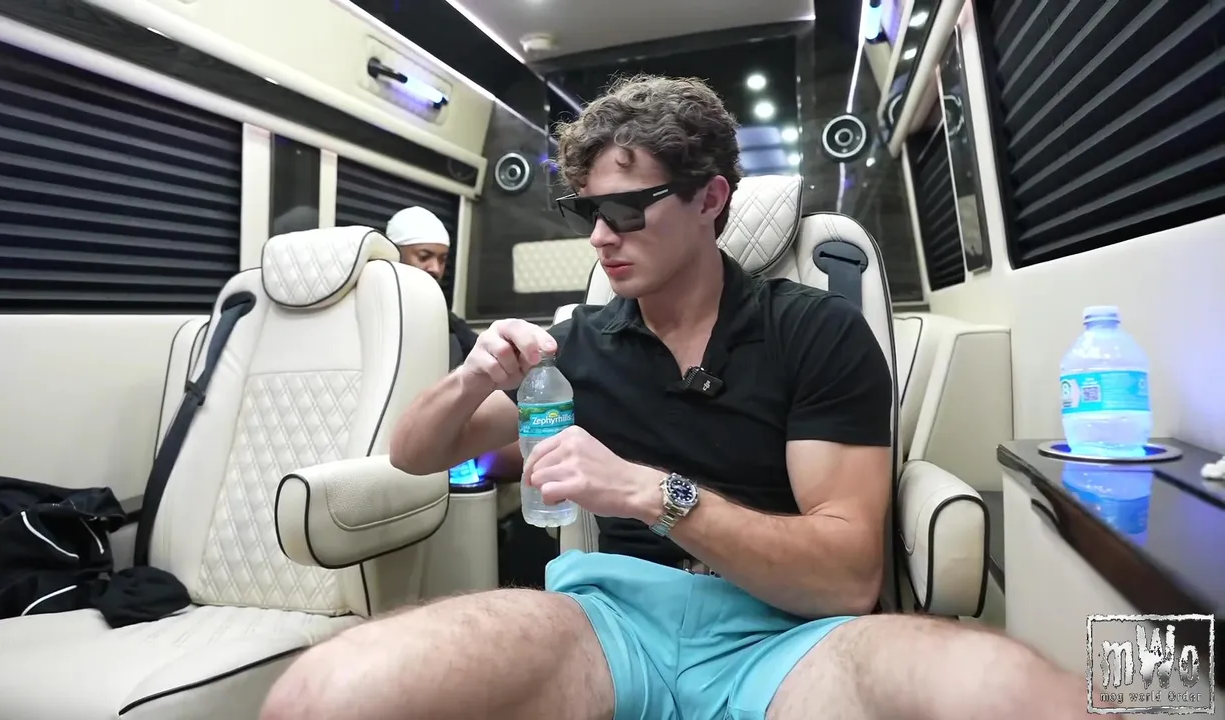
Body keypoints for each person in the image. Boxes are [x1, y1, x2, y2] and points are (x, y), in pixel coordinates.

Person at [261, 75, 1093, 720]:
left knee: (1012, 692)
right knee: (324, 693)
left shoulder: (817, 334)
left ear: (710, 199)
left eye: (627, 208)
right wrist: (474, 374)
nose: (600, 237)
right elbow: (416, 453)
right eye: (588, 211)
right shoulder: (577, 348)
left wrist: (651, 492)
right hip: (608, 622)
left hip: (789, 634)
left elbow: (845, 578)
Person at [385, 205, 480, 363]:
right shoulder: (373, 307)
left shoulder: (446, 320)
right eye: (424, 257)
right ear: (394, 255)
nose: (436, 269)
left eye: (442, 260)